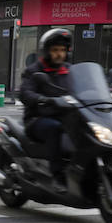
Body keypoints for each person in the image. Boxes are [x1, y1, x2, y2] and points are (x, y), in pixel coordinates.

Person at [18, 28, 75, 184]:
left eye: (63, 50)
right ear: (47, 51)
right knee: (54, 128)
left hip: (65, 117)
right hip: (37, 118)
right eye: (55, 50)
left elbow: (83, 88)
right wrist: (41, 99)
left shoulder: (70, 70)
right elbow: (25, 93)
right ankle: (57, 175)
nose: (59, 54)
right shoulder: (34, 71)